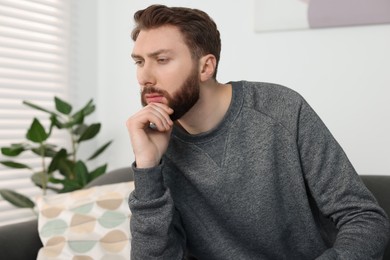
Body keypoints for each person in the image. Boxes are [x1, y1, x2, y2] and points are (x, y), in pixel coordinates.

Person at [126, 4, 389, 260]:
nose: (144, 77)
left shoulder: (280, 109)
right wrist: (148, 168)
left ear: (205, 67)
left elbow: (365, 220)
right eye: (139, 61)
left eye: (161, 60)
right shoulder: (156, 144)